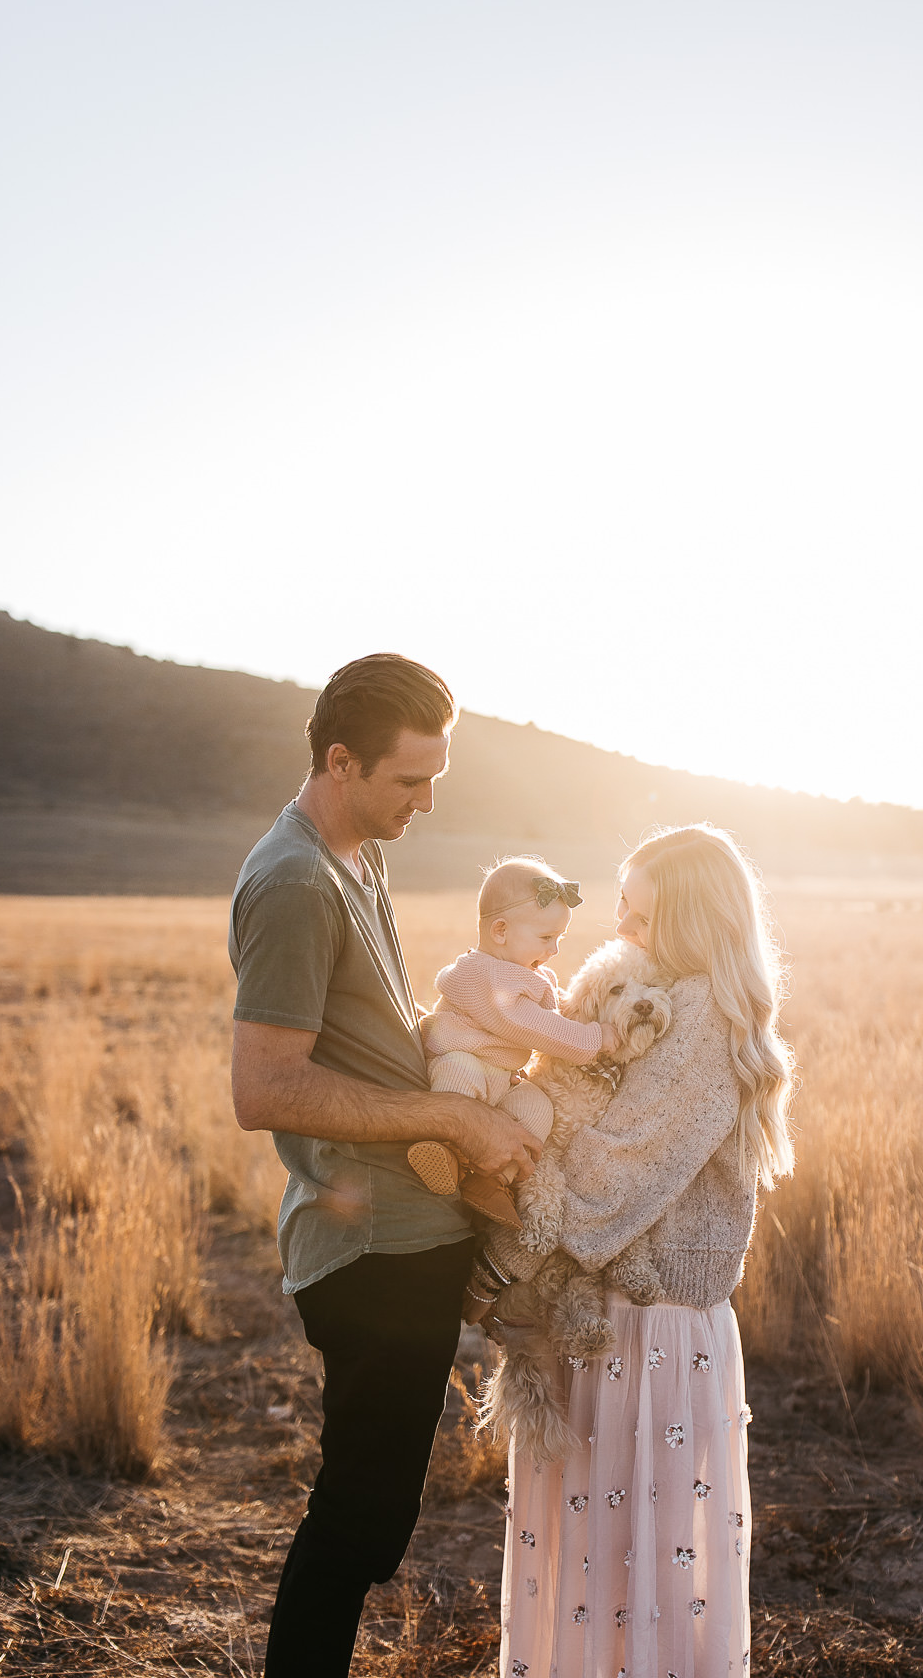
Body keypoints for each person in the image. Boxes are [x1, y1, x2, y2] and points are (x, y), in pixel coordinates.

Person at [228, 654, 544, 1678]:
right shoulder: (291, 883)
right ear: (339, 759)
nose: (427, 801)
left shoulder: (361, 853)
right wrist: (453, 1115)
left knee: (373, 1514)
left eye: (435, 778)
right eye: (409, 781)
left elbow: (368, 1039)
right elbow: (265, 1088)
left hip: (413, 1230)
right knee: (360, 1522)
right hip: (367, 1245)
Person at [487, 824, 796, 1678]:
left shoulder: (699, 1018)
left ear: (693, 925)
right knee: (623, 1570)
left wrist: (506, 1224)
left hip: (642, 1334)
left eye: (640, 915)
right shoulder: (679, 1000)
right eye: (619, 907)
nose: (619, 928)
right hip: (631, 1326)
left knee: (627, 1571)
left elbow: (614, 1168)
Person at [408, 856, 620, 1229]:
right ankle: (440, 1150)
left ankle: (493, 1179)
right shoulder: (480, 974)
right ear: (501, 931)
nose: (553, 950)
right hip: (462, 1060)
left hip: (501, 1080)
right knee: (459, 1079)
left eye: (558, 939)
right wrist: (594, 1038)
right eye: (545, 938)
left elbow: (551, 1012)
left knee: (538, 1108)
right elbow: (534, 1025)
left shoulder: (521, 972)